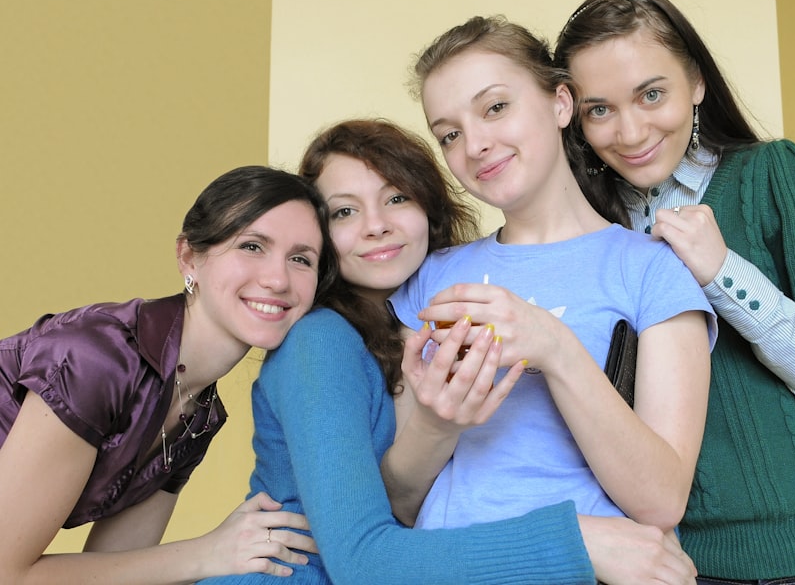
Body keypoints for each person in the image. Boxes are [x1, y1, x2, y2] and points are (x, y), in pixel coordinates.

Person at [198, 118, 699, 585]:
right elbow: (363, 561)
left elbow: (410, 510)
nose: (376, 225)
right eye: (345, 211)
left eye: (396, 199)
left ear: (428, 207)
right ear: (321, 237)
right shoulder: (320, 340)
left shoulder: (420, 328)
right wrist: (583, 541)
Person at [553, 0, 795, 584]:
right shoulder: (591, 234)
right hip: (679, 570)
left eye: (651, 94)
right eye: (599, 109)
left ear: (698, 85)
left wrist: (723, 273)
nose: (629, 132)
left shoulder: (771, 175)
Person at [384, 16, 715, 544]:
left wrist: (554, 347)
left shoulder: (653, 268)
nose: (475, 145)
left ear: (562, 103)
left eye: (495, 107)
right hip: (452, 569)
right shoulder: (428, 278)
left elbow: (663, 500)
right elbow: (400, 503)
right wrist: (437, 424)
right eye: (449, 134)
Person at [0, 165, 337, 584]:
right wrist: (211, 551)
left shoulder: (198, 415)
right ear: (189, 257)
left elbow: (119, 572)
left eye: (301, 259)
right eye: (252, 246)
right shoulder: (95, 360)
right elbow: (7, 574)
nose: (277, 278)